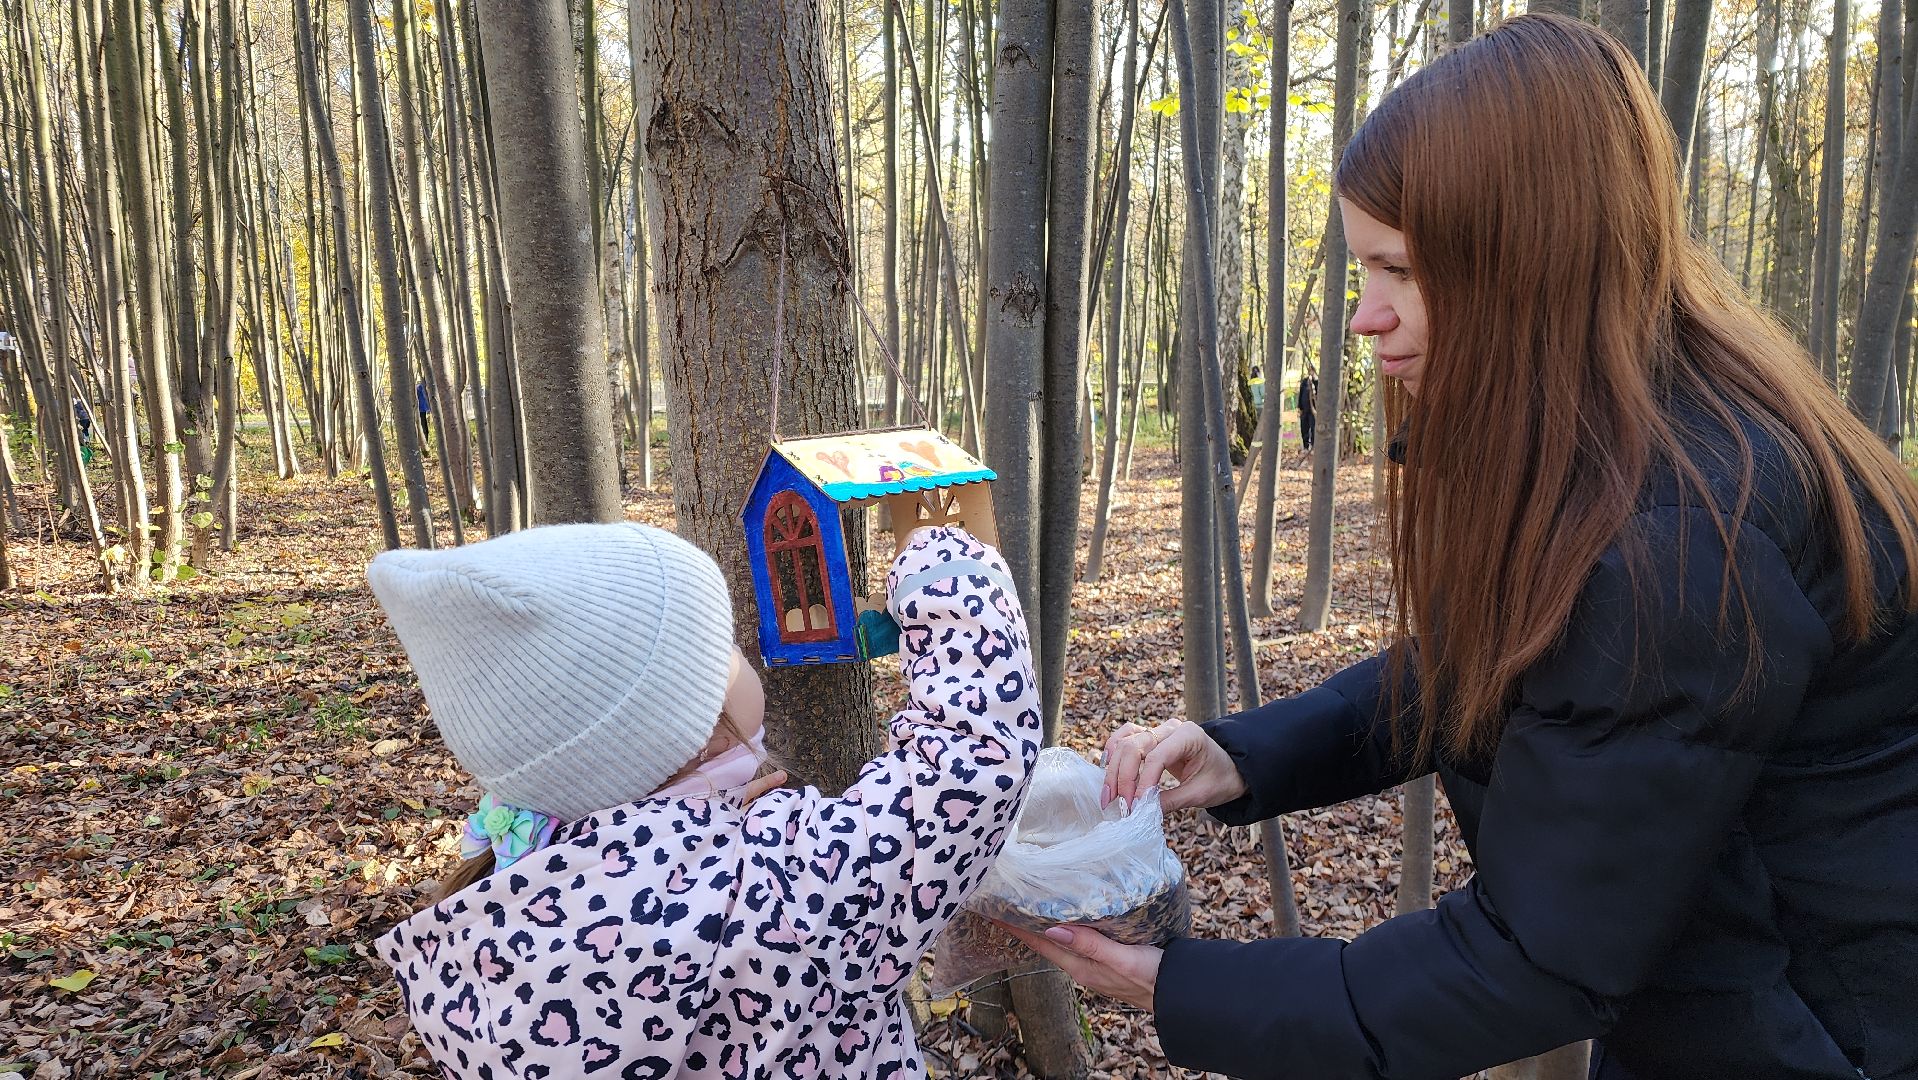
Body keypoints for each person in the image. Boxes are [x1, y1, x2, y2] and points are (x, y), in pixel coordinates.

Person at [1010, 16, 1918, 1080]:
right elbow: (1496, 671)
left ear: (1530, 260)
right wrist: (1241, 756)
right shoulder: (1630, 445)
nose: (1364, 318)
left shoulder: (1676, 540)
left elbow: (1532, 960)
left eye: (1397, 269)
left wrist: (1178, 989)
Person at [371, 522, 1040, 1079]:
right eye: (718, 650)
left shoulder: (507, 885)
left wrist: (711, 821)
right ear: (686, 730)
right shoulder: (783, 888)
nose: (742, 653)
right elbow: (975, 760)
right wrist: (945, 569)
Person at [1296, 372, 1318, 452]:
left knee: (1313, 428)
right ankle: (1306, 446)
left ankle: (1313, 446)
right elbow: (1301, 394)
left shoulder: (1318, 382)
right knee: (1304, 428)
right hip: (1304, 409)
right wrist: (1300, 407)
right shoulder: (1305, 381)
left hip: (1314, 410)